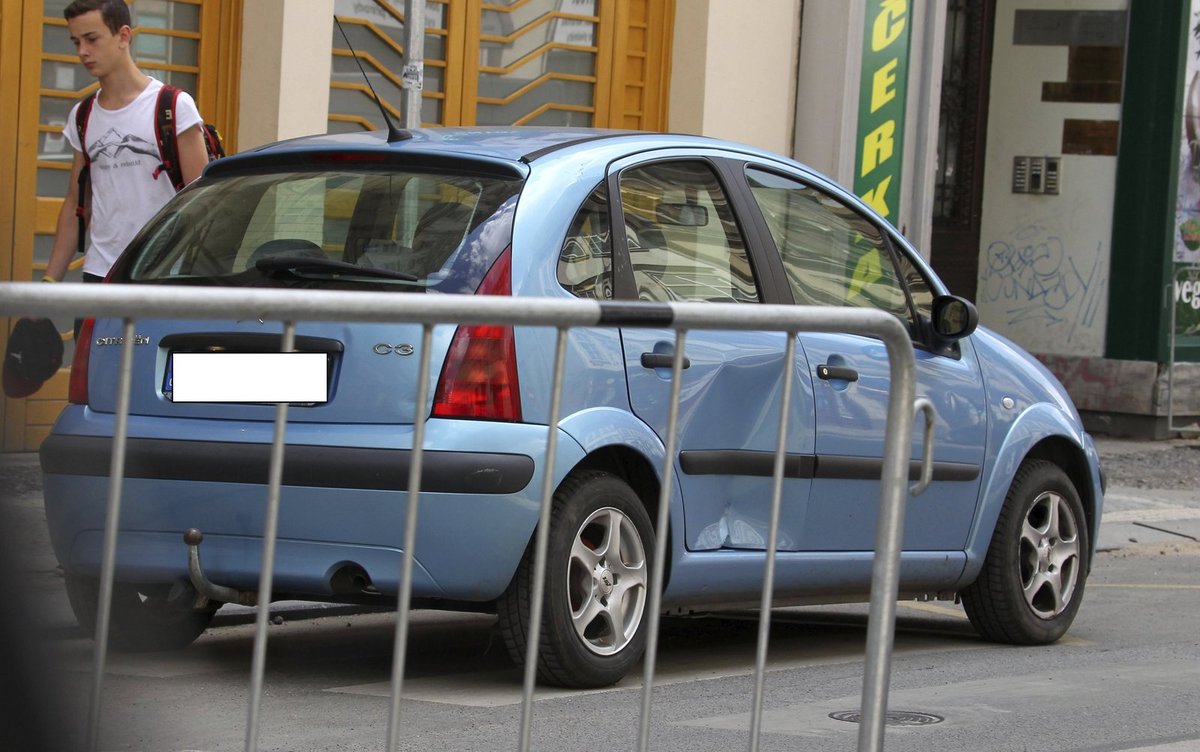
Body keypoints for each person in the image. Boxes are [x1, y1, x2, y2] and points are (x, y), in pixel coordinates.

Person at [43, 0, 208, 296]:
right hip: (100, 275)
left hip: (164, 275)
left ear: (123, 36)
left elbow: (203, 201)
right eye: (76, 41)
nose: (82, 51)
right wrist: (49, 282)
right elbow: (75, 205)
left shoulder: (171, 107)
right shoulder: (83, 116)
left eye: (92, 39)